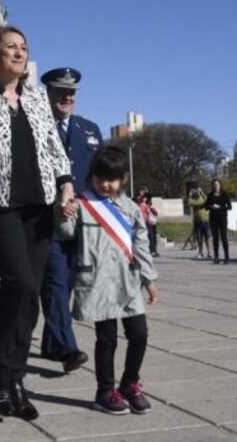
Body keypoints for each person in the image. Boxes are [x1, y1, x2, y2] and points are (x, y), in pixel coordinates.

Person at [0, 26, 76, 419]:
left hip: (39, 205)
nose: (19, 54)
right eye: (11, 48)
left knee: (32, 290)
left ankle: (15, 379)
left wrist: (67, 186)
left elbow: (54, 148)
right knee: (18, 282)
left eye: (24, 48)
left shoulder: (38, 100)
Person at [57, 145, 158, 415]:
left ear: (123, 178)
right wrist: (63, 213)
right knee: (107, 339)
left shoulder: (132, 209)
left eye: (111, 179)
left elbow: (142, 246)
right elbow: (66, 233)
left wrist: (149, 279)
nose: (105, 184)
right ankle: (104, 391)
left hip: (128, 281)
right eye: (100, 178)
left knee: (139, 334)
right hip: (98, 281)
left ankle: (129, 384)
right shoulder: (83, 204)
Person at [36, 66, 100, 373]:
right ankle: (67, 348)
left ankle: (51, 343)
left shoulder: (89, 129)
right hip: (47, 219)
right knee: (55, 283)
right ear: (47, 92)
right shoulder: (33, 126)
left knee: (70, 282)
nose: (66, 98)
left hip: (81, 220)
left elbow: (98, 177)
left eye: (71, 93)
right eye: (60, 91)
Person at [205, 179, 232, 264]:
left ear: (220, 185)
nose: (216, 186)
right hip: (213, 219)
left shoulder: (224, 194)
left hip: (222, 218)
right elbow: (206, 206)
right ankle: (216, 257)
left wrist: (220, 207)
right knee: (215, 238)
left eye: (217, 184)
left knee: (224, 237)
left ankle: (226, 257)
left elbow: (229, 207)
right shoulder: (210, 195)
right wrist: (211, 206)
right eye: (214, 184)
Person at [186, 185, 213, 259]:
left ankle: (209, 252)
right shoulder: (193, 199)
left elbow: (208, 201)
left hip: (206, 220)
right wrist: (190, 195)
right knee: (199, 238)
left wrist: (202, 193)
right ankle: (200, 252)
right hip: (197, 221)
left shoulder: (203, 198)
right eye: (196, 191)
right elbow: (189, 203)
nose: (197, 192)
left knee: (208, 237)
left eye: (198, 191)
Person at [136, 188, 160, 257]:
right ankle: (150, 250)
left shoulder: (148, 204)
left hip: (150, 222)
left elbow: (155, 213)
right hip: (144, 222)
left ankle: (153, 250)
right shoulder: (140, 204)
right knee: (148, 237)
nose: (144, 198)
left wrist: (151, 209)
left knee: (152, 237)